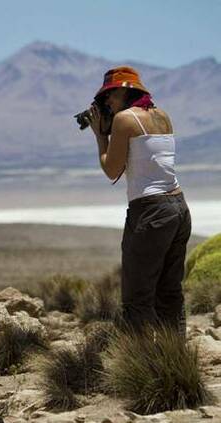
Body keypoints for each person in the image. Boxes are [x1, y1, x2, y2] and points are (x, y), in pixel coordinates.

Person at [87, 66, 191, 336]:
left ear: (126, 92)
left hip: (150, 211)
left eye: (111, 94)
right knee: (169, 292)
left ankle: (140, 356)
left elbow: (112, 170)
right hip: (178, 207)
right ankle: (174, 354)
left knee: (137, 296)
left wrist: (101, 137)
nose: (108, 101)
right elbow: (148, 161)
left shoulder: (124, 119)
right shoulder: (162, 116)